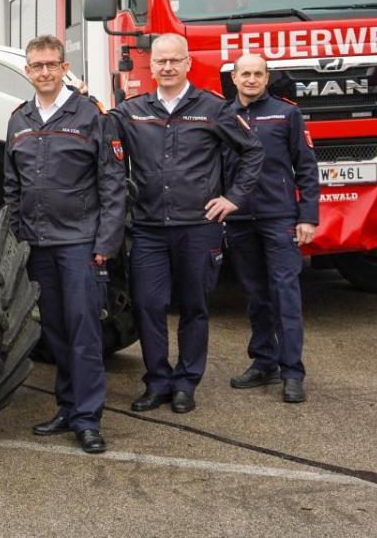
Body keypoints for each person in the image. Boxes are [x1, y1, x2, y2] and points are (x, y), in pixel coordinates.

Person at [111, 34, 264, 414]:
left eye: (174, 61)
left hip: (199, 227)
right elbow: (97, 126)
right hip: (147, 228)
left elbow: (252, 152)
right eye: (160, 61)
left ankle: (185, 383)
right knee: (148, 304)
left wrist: (233, 198)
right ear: (152, 66)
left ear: (188, 63)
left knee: (194, 306)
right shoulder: (132, 111)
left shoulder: (214, 108)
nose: (166, 67)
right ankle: (158, 380)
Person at [3, 36, 126, 454]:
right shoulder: (18, 119)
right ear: (27, 71)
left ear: (64, 67)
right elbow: (12, 187)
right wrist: (19, 238)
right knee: (55, 334)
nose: (44, 72)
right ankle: (67, 407)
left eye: (51, 65)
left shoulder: (90, 115)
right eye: (36, 66)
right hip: (39, 246)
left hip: (80, 244)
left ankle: (88, 420)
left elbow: (113, 184)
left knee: (84, 333)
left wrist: (105, 243)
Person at [224, 53, 319, 404]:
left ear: (267, 78)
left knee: (285, 295)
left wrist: (307, 216)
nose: (251, 79)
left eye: (258, 73)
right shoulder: (223, 115)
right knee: (254, 295)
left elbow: (306, 167)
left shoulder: (287, 113)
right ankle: (264, 362)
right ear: (234, 78)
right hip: (238, 220)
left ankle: (292, 372)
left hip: (279, 217)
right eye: (245, 73)